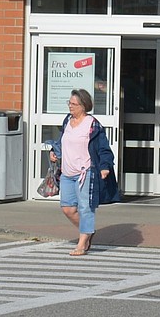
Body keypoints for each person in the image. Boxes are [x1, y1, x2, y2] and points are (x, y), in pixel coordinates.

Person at [47, 88, 119, 255]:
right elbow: (63, 142)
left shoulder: (92, 125)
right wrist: (55, 152)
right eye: (69, 103)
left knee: (85, 208)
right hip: (67, 173)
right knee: (67, 209)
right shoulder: (67, 121)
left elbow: (104, 149)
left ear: (84, 106)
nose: (70, 106)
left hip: (85, 172)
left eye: (74, 104)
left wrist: (104, 167)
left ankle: (82, 243)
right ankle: (88, 231)